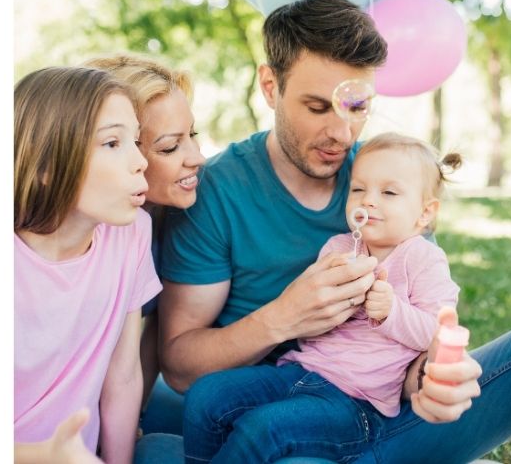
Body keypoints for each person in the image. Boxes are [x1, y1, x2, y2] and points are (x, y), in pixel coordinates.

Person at [158, 0, 511, 463]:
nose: (343, 132)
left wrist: (431, 378)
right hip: (292, 413)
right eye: (318, 107)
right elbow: (178, 366)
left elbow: (421, 326)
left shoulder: (385, 178)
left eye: (357, 107)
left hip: (390, 415)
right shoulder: (217, 192)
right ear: (270, 87)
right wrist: (282, 318)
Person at [182, 133, 466, 462]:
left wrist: (391, 311)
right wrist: (327, 305)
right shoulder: (339, 248)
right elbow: (309, 325)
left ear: (424, 213)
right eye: (359, 189)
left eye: (388, 192)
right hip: (302, 371)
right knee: (206, 395)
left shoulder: (423, 259)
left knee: (264, 429)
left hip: (358, 402)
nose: (368, 201)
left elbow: (435, 333)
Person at [13, 66, 160, 464]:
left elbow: (124, 375)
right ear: (45, 164)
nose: (140, 161)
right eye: (112, 143)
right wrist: (44, 456)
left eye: (137, 141)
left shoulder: (132, 233)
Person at [83, 54, 207, 426]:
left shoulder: (168, 220)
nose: (197, 158)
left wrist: (131, 420)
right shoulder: (93, 232)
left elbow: (152, 331)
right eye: (170, 148)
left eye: (193, 136)